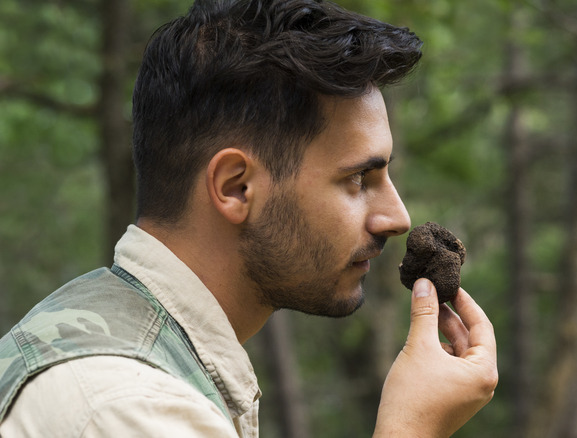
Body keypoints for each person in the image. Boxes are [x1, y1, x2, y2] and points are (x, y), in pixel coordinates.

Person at [0, 0, 498, 436]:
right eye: (358, 179)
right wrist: (410, 429)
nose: (396, 217)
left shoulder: (104, 337)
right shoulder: (131, 409)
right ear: (236, 187)